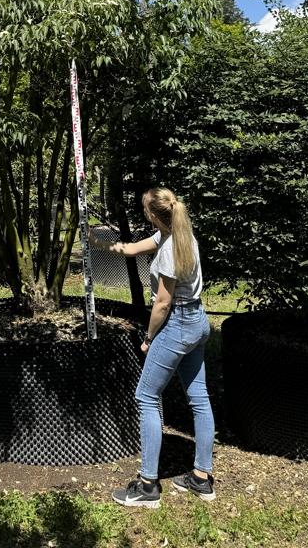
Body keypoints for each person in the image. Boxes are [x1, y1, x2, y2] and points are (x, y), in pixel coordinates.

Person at [88, 187, 215, 509]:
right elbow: (131, 249)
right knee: (199, 398)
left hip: (178, 324)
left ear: (152, 215)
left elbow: (163, 302)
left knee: (146, 397)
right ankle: (201, 478)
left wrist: (148, 338)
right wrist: (97, 241)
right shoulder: (176, 234)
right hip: (198, 321)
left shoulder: (171, 248)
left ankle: (147, 486)